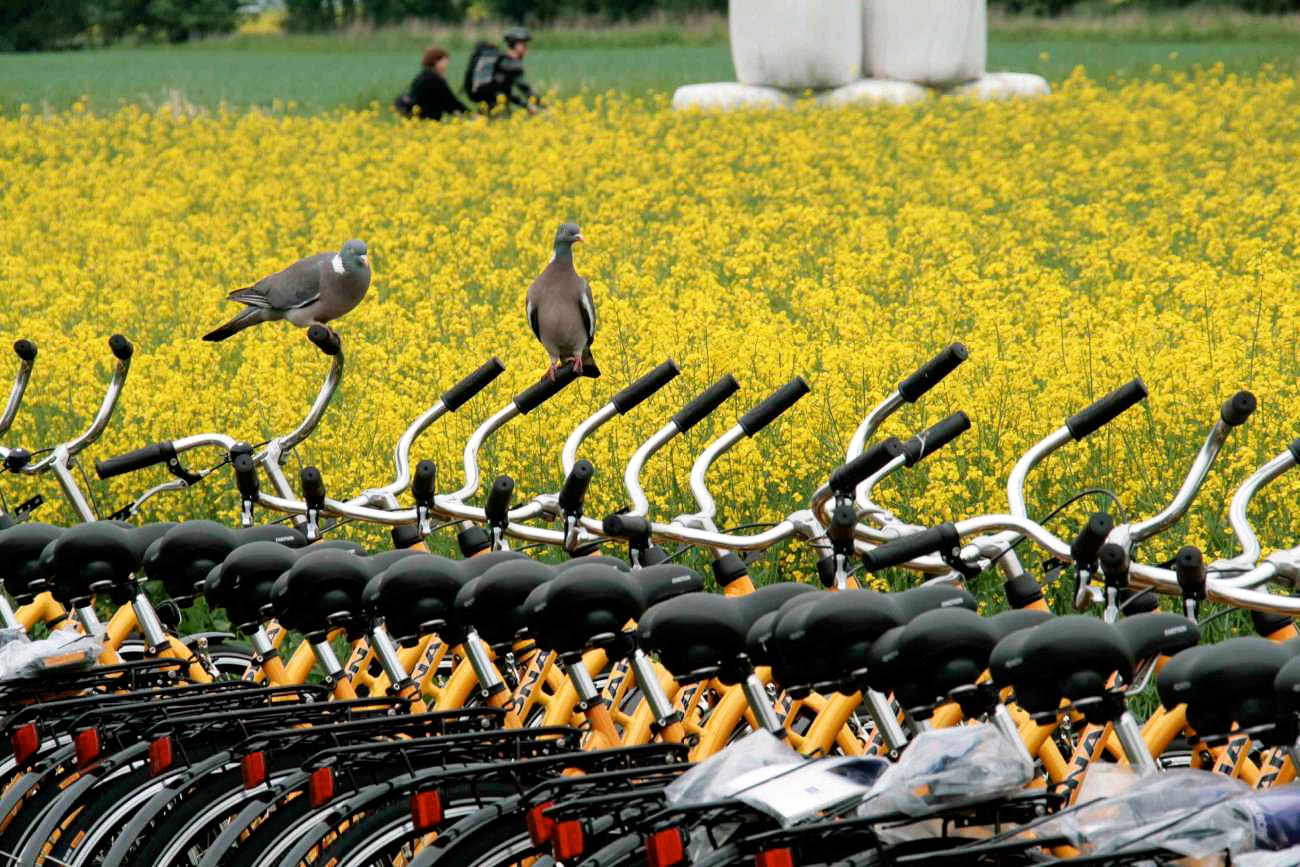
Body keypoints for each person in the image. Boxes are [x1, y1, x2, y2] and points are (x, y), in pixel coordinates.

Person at [464, 27, 541, 115]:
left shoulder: (500, 59)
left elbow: (507, 92)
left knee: (487, 119)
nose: (526, 49)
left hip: (485, 97)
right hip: (494, 99)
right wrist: (543, 104)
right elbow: (524, 88)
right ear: (517, 45)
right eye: (524, 45)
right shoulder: (511, 64)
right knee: (502, 115)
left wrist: (525, 106)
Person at [396, 46, 468, 121]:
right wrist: (469, 114)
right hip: (425, 119)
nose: (447, 64)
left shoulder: (422, 76)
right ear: (436, 61)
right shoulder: (433, 79)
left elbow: (444, 102)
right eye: (444, 61)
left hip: (418, 119)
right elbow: (451, 101)